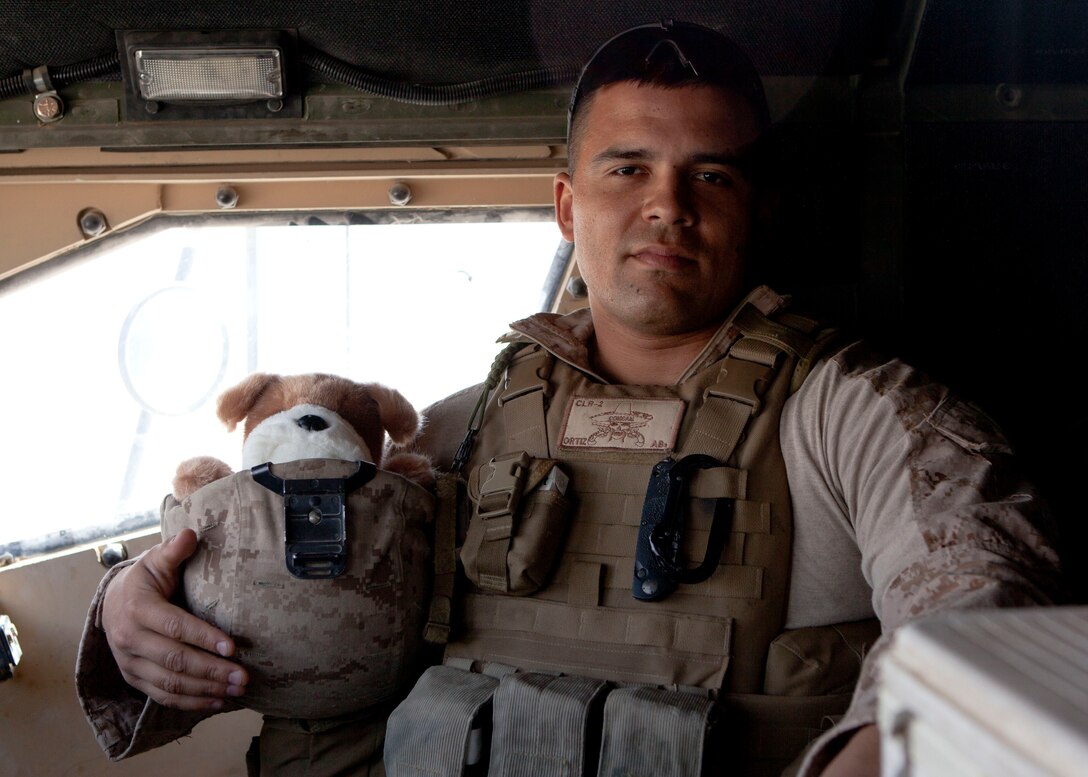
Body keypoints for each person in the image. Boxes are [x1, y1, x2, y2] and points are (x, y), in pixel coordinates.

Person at [76, 20, 1063, 777]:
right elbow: (284, 571)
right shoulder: (466, 425)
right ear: (565, 203)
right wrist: (128, 604)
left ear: (756, 211)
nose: (665, 205)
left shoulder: (867, 419)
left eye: (707, 176)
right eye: (626, 168)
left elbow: (984, 614)